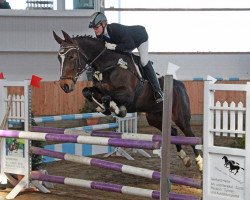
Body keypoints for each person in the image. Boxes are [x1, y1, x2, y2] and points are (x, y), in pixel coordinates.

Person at [88, 12, 163, 103]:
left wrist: (115, 47)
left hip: (140, 38)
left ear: (103, 24)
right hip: (125, 43)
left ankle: (158, 91)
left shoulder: (115, 29)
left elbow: (129, 45)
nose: (95, 31)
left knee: (143, 61)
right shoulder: (100, 36)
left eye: (96, 28)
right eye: (94, 29)